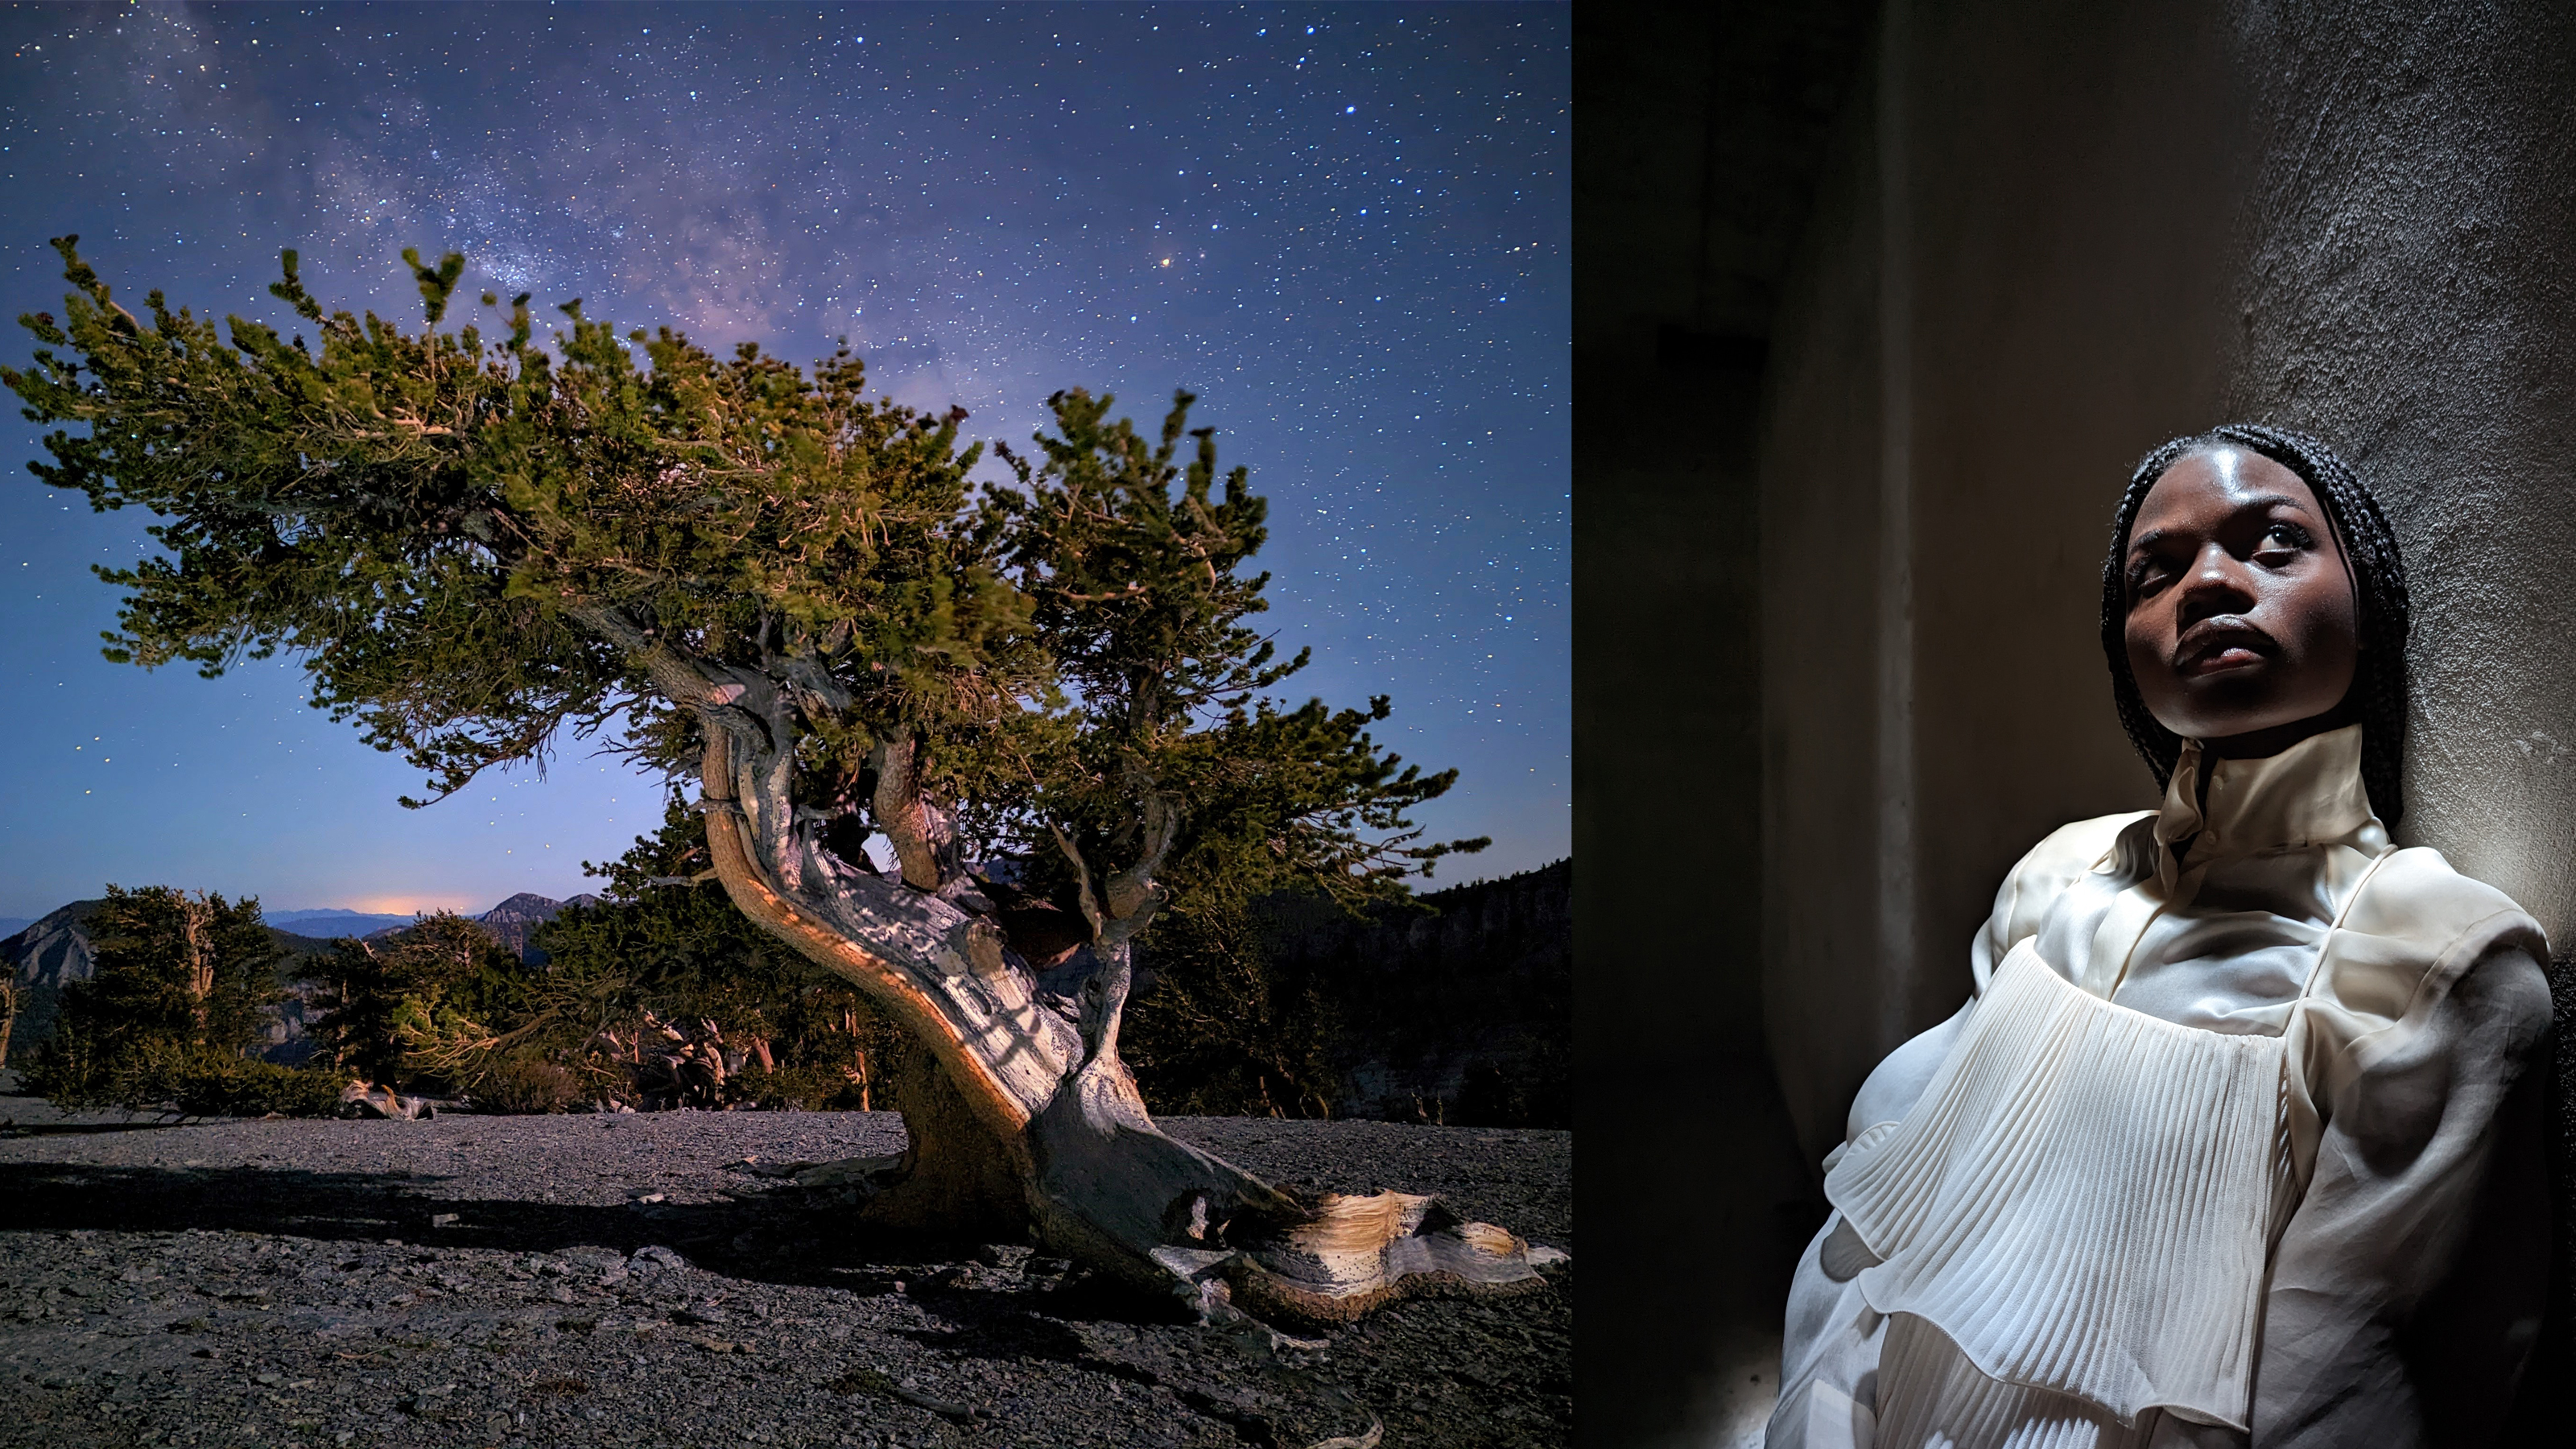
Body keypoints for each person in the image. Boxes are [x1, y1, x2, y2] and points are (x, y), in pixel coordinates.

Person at [1766, 424, 2553, 1449]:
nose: (2208, 585)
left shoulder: (2428, 958)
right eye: (2155, 571)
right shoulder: (2054, 879)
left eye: (2272, 544)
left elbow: (2345, 1392)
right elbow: (1876, 1248)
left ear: (2369, 603)